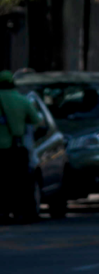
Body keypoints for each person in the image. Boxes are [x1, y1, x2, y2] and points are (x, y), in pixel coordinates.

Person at [0, 71, 40, 219]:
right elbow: (36, 120)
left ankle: (3, 211)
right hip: (16, 149)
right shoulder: (22, 100)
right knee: (19, 183)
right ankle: (19, 211)